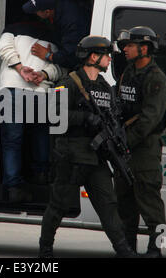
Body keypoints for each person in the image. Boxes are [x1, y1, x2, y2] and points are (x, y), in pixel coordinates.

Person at [38, 35, 137, 258]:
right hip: (72, 155)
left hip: (97, 157)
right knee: (58, 205)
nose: (110, 60)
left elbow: (113, 119)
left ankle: (124, 251)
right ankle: (45, 251)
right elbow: (53, 114)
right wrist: (85, 118)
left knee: (108, 205)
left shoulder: (106, 88)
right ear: (94, 57)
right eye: (107, 56)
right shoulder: (68, 82)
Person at [114, 26, 166, 258]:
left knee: (151, 203)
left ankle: (157, 249)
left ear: (144, 48)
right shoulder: (128, 73)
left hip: (144, 150)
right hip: (125, 148)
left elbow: (149, 120)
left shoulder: (156, 79)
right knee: (124, 203)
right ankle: (126, 249)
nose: (125, 49)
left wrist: (125, 142)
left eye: (129, 45)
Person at [0, 21, 62, 203]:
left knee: (12, 140)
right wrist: (43, 75)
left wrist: (20, 68)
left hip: (12, 87)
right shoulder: (54, 39)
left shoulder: (12, 30)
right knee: (40, 135)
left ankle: (13, 188)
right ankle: (41, 176)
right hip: (41, 90)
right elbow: (59, 68)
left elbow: (3, 48)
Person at [22, 0, 90, 71]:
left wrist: (48, 56)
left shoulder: (72, 22)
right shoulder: (55, 8)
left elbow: (71, 55)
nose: (35, 14)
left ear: (47, 12)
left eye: (36, 11)